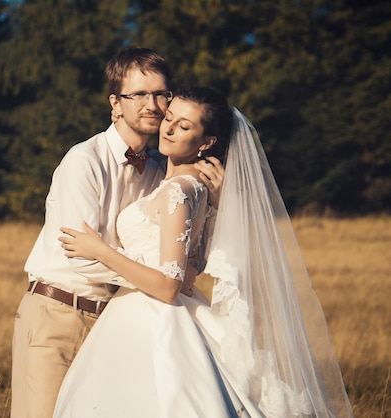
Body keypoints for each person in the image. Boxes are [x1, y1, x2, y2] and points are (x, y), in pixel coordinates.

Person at [54, 87, 354, 417]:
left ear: (206, 142)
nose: (167, 128)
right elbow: (190, 269)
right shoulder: (192, 186)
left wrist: (100, 250)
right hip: (146, 309)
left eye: (184, 126)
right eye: (169, 118)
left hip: (154, 316)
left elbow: (169, 286)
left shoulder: (179, 191)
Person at [10, 47, 223, 418]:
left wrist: (214, 203)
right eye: (138, 94)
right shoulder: (84, 162)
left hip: (121, 323)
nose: (153, 105)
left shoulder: (163, 171)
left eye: (161, 94)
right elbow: (82, 260)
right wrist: (160, 280)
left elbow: (183, 256)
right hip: (61, 313)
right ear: (115, 104)